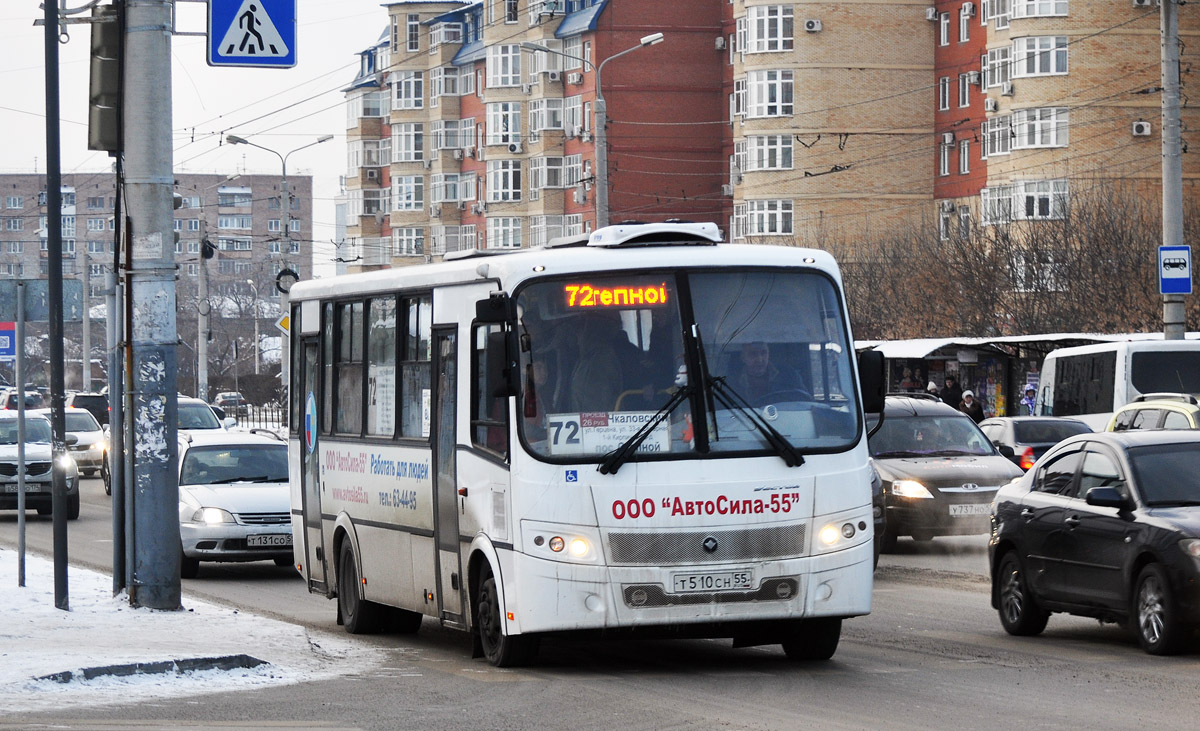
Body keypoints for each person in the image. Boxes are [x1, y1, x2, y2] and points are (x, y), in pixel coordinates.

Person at [731, 341, 804, 404]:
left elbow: (805, 401)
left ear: (769, 353)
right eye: (753, 354)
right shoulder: (731, 383)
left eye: (763, 353)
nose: (760, 360)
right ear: (743, 358)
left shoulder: (789, 375)